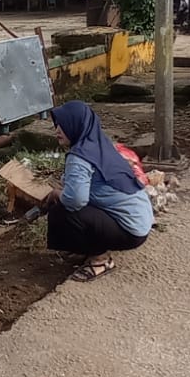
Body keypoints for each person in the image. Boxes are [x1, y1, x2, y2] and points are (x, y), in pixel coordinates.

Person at [45, 101, 154, 282]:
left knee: (61, 211)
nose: (57, 130)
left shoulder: (79, 157)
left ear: (76, 125)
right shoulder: (100, 145)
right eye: (56, 125)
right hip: (141, 222)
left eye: (62, 125)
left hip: (130, 231)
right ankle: (92, 248)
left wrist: (57, 194)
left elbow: (75, 200)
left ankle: (100, 260)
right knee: (73, 204)